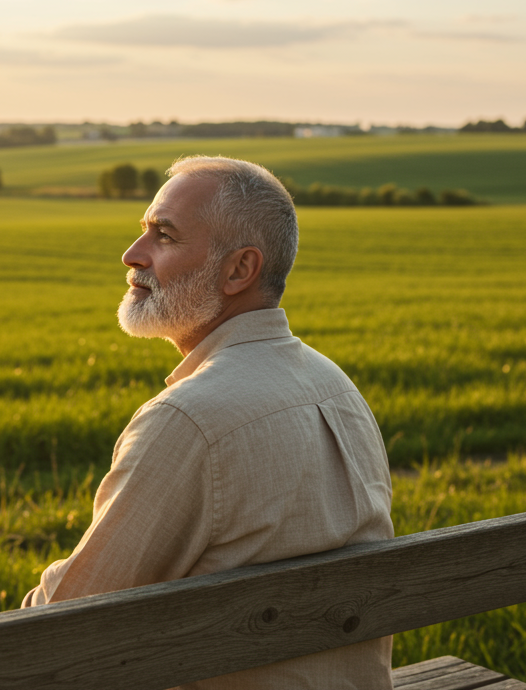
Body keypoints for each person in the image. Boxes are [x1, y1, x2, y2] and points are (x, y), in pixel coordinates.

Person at [20, 156, 395, 690]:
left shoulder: (189, 421)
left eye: (164, 235)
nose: (132, 255)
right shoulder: (335, 385)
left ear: (239, 270)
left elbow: (67, 622)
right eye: (142, 230)